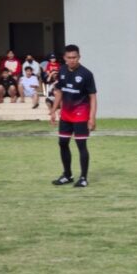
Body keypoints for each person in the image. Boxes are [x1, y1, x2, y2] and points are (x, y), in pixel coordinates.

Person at [48, 44, 97, 188]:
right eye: (69, 57)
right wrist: (53, 111)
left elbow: (93, 97)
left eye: (74, 57)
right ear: (64, 58)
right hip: (66, 114)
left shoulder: (86, 74)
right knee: (62, 143)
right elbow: (59, 92)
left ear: (79, 57)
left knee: (81, 145)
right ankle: (67, 175)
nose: (72, 60)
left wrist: (92, 117)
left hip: (81, 114)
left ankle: (83, 178)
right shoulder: (62, 70)